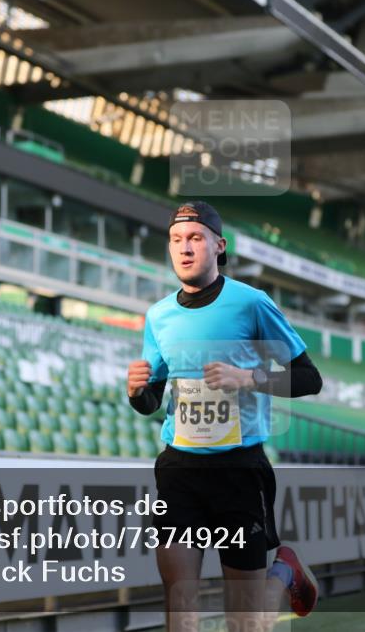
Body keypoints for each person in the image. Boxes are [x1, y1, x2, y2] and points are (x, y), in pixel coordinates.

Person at [126, 201, 323, 631]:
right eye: (176, 240)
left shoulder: (251, 304)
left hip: (239, 470)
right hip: (179, 470)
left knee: (246, 624)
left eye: (195, 238)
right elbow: (151, 400)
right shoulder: (159, 316)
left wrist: (249, 377)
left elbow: (309, 378)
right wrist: (137, 391)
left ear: (219, 245)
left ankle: (284, 571)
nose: (185, 248)